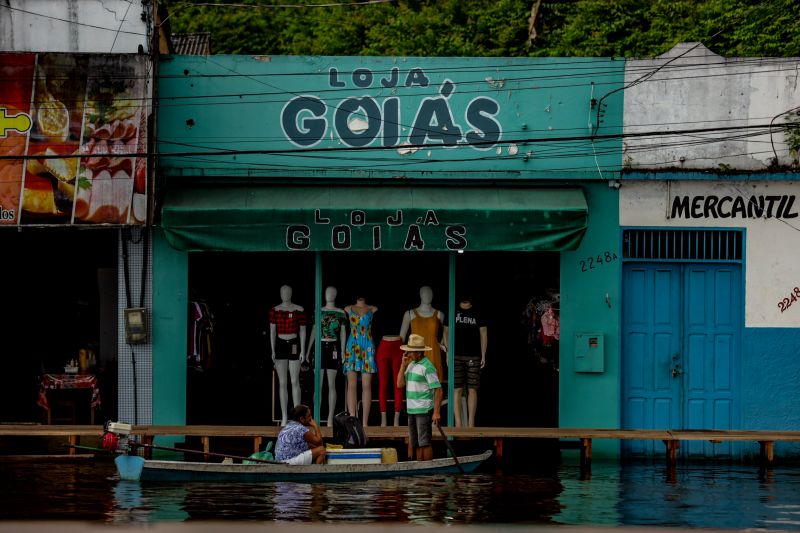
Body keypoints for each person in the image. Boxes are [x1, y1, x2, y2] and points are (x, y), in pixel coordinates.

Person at [442, 296, 487, 427]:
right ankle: (458, 423)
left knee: (473, 389)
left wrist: (483, 355)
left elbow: (483, 333)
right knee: (457, 389)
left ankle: (471, 424)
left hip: (474, 355)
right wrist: (448, 353)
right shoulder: (452, 310)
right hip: (455, 355)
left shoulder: (477, 311)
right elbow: (445, 331)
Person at [397, 333, 442, 461]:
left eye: (410, 351)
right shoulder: (410, 365)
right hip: (411, 410)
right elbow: (399, 384)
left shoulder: (427, 367)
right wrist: (403, 365)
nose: (408, 354)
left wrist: (436, 412)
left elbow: (438, 389)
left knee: (425, 442)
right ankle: (419, 471)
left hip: (423, 410)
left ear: (418, 352)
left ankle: (427, 472)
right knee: (415, 442)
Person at [306, 286, 346, 427]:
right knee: (318, 386)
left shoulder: (341, 313)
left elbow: (342, 333)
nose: (330, 294)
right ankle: (315, 417)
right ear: (324, 294)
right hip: (320, 347)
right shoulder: (319, 310)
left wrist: (342, 351)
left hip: (334, 347)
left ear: (336, 294)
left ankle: (330, 418)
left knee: (331, 384)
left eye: (332, 292)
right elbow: (314, 329)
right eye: (328, 292)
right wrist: (308, 349)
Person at [269, 285, 307, 426]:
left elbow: (303, 331)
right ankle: (284, 416)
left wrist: (303, 350)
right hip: (280, 343)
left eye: (287, 292)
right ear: (280, 293)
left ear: (291, 293)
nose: (285, 294)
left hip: (294, 343)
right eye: (282, 292)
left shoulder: (299, 309)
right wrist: (272, 350)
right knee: (283, 383)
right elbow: (272, 330)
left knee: (294, 381)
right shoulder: (275, 310)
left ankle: (297, 417)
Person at [344, 296, 378, 427]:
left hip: (367, 346)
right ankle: (353, 420)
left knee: (366, 385)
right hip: (352, 346)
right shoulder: (348, 309)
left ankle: (364, 423)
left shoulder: (373, 309)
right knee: (351, 385)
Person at [399, 286, 445, 380]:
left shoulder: (439, 314)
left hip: (433, 352)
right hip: (416, 352)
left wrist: (441, 343)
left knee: (433, 383)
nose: (427, 295)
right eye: (424, 293)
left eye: (430, 293)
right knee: (415, 383)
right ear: (420, 295)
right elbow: (401, 338)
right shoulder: (409, 314)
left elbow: (448, 332)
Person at [376, 335, 404, 427]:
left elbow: (402, 335)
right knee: (383, 384)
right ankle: (383, 418)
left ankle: (397, 418)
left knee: (398, 384)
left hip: (397, 345)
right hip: (384, 344)